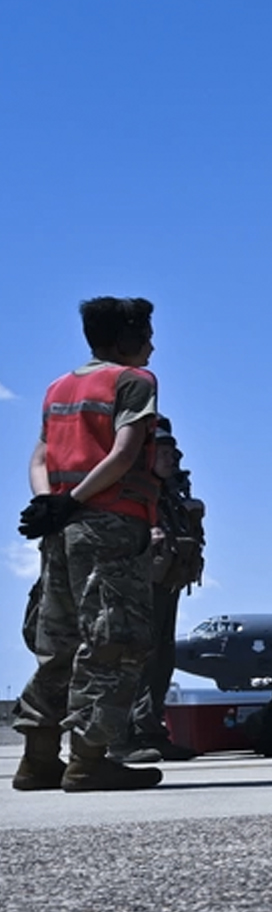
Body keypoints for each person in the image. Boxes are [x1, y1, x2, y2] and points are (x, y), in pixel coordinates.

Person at [13, 296, 165, 792]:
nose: (151, 345)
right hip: (109, 526)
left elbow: (39, 456)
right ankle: (88, 758)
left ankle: (37, 759)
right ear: (125, 338)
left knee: (56, 642)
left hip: (61, 529)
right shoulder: (133, 382)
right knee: (113, 641)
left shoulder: (60, 387)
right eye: (145, 334)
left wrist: (50, 503)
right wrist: (78, 500)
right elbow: (124, 454)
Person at [117, 415, 205, 764]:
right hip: (136, 585)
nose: (171, 458)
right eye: (163, 450)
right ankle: (124, 736)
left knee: (162, 657)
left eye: (172, 451)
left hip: (166, 584)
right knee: (135, 656)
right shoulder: (129, 489)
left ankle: (151, 729)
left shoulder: (169, 493)